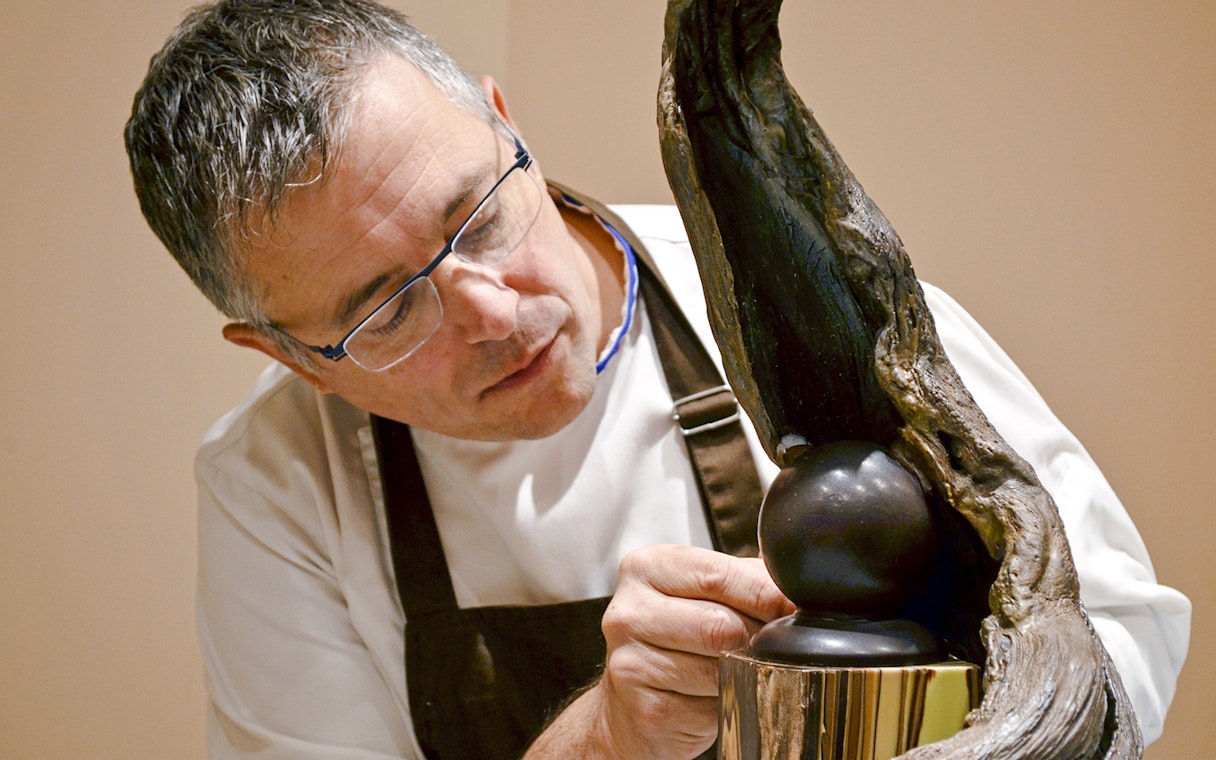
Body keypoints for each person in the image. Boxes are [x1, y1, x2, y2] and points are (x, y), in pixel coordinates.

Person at [124, 1, 1190, 758]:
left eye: (477, 215)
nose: (493, 311)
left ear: (509, 126)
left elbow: (1120, 631)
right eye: (387, 308)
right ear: (289, 355)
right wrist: (603, 740)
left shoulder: (806, 302)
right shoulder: (273, 483)